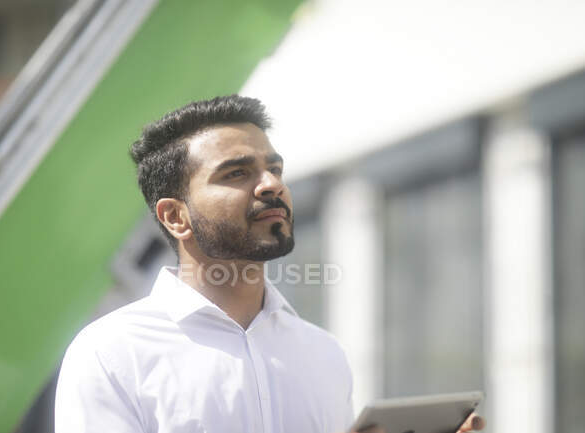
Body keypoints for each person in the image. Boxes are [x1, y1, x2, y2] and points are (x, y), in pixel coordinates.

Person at [54, 95, 484, 433]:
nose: (272, 185)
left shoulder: (322, 353)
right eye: (237, 174)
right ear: (174, 215)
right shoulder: (111, 353)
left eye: (274, 169)